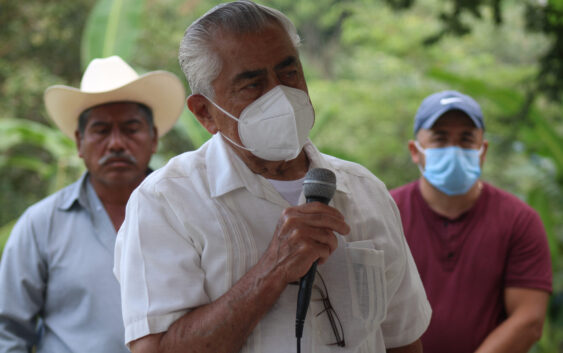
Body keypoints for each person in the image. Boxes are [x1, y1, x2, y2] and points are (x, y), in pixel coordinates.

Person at [113, 1, 432, 353]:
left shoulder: (365, 191)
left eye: (289, 73)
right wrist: (273, 270)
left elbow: (403, 340)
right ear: (205, 113)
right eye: (252, 84)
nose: (280, 94)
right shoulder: (166, 202)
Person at [0, 55, 185, 352]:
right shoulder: (41, 224)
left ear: (154, 139)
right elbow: (7, 334)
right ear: (78, 143)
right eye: (100, 130)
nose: (115, 144)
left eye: (130, 128)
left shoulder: (187, 214)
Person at [390, 90, 552, 353]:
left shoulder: (520, 220)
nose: (453, 149)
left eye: (466, 139)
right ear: (415, 151)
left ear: (482, 151)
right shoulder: (385, 214)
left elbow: (528, 320)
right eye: (440, 139)